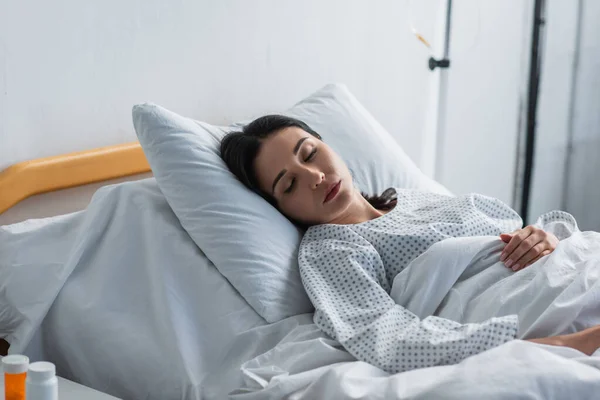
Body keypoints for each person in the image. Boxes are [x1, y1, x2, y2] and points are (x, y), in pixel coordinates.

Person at [220, 115, 600, 373]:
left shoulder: (409, 197)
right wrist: (557, 345)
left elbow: (512, 228)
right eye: (289, 185)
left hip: (570, 264)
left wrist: (543, 236)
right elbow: (386, 337)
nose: (315, 177)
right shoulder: (329, 247)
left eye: (310, 154)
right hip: (528, 310)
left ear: (327, 145)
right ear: (281, 209)